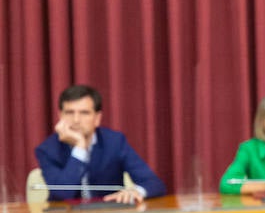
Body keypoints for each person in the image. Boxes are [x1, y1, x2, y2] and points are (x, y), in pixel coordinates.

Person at [34, 84, 166, 204]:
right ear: (60, 116)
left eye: (84, 113)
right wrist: (80, 148)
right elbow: (62, 194)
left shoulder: (115, 142)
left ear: (97, 118)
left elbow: (154, 183)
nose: (76, 120)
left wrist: (136, 191)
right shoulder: (48, 150)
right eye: (69, 113)